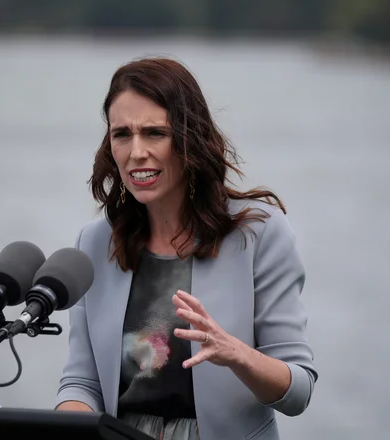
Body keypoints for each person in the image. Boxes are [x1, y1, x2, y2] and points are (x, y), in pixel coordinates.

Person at [54, 57, 317, 440]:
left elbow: (298, 393)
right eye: (122, 134)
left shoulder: (259, 233)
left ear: (190, 137)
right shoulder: (94, 243)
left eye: (155, 133)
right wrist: (66, 428)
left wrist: (236, 353)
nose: (136, 152)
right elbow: (81, 382)